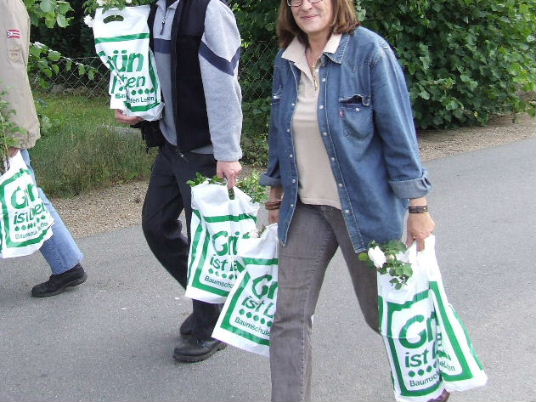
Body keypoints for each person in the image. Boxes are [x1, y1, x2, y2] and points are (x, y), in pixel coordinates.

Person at [260, 0, 446, 401]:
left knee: (386, 314)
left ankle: (430, 388)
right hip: (305, 208)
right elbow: (279, 133)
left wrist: (418, 208)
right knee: (288, 317)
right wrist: (274, 194)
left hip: (365, 209)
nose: (306, 5)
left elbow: (399, 134)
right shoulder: (287, 59)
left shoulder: (369, 52)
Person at [115, 0, 242, 363]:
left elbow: (224, 82)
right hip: (172, 145)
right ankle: (213, 305)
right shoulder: (157, 10)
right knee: (156, 226)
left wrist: (227, 152)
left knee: (205, 243)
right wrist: (141, 109)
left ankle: (209, 325)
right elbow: (156, 75)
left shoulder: (209, 11)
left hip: (204, 150)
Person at [0, 0, 87, 298]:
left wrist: (12, 134)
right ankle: (67, 264)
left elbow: (9, 69)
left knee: (25, 192)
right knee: (25, 192)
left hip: (5, 124)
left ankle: (67, 265)